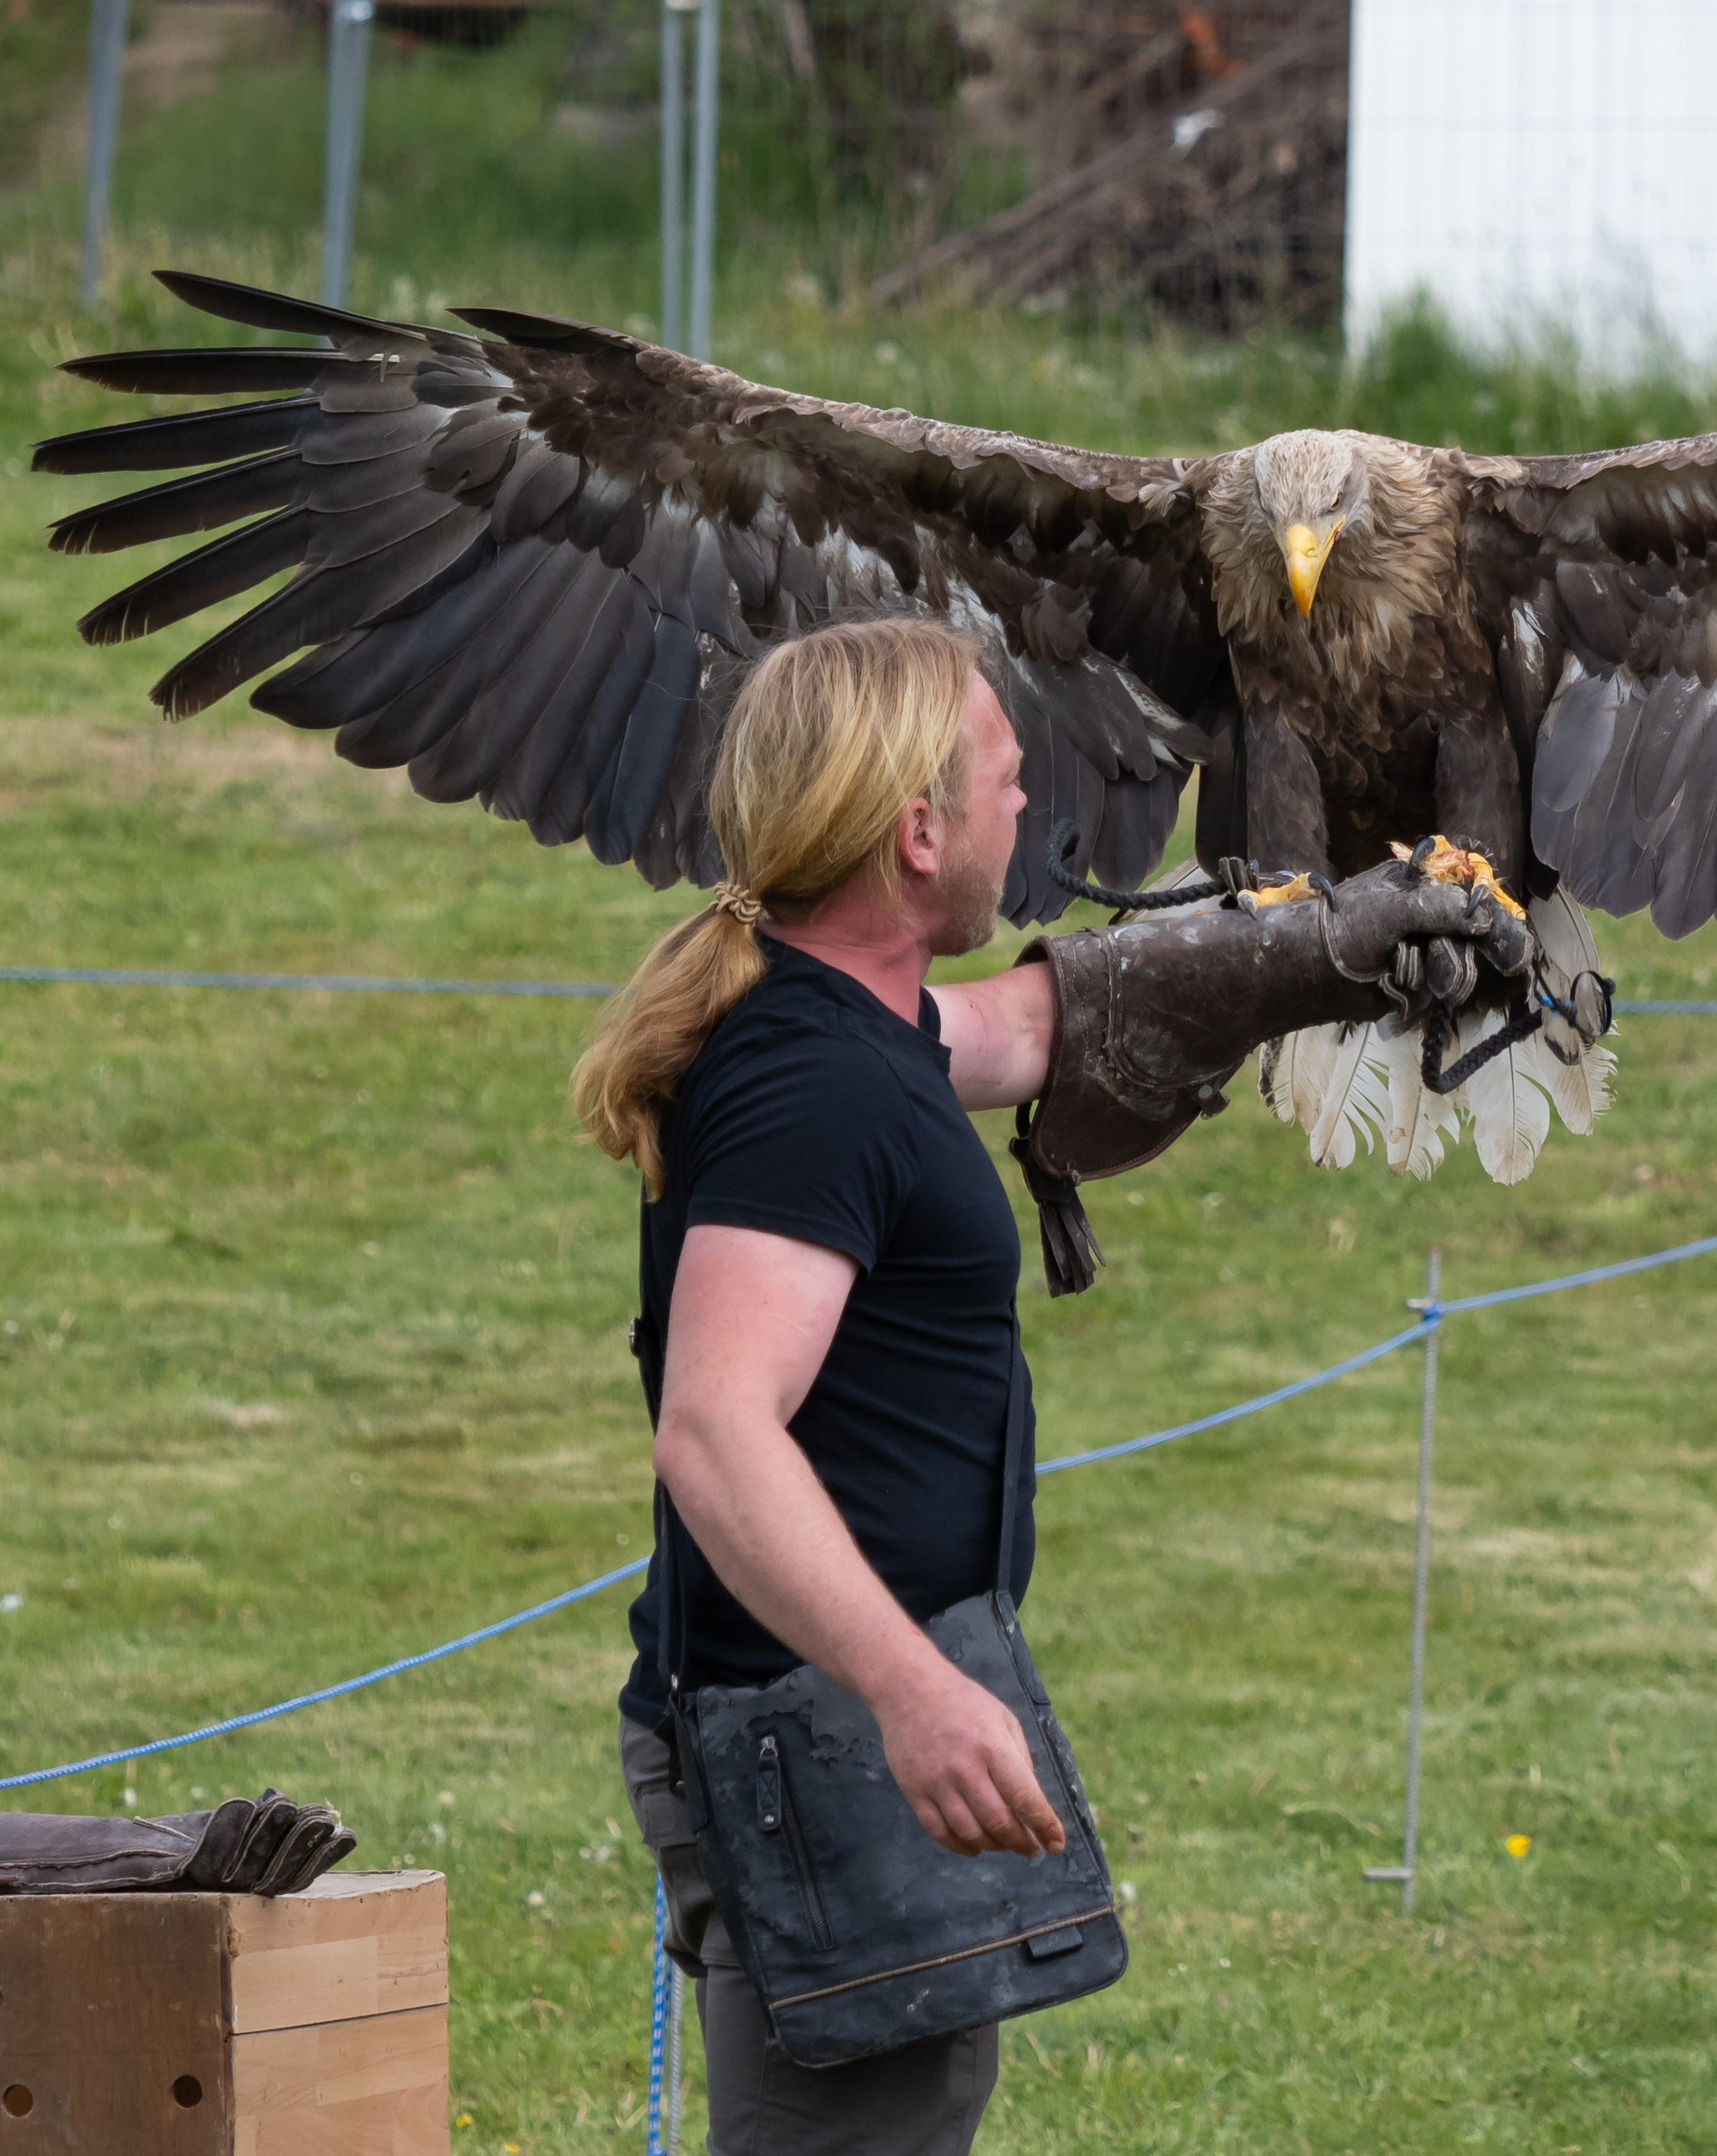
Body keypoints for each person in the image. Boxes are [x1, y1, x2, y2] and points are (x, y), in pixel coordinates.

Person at [575, 617, 1530, 2154]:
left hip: (833, 1713)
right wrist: (914, 1696)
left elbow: (1018, 1028)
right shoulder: (813, 1084)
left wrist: (1312, 954)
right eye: (1008, 778)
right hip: (816, 1726)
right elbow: (715, 1427)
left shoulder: (857, 1023)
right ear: (917, 828)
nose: (1030, 811)